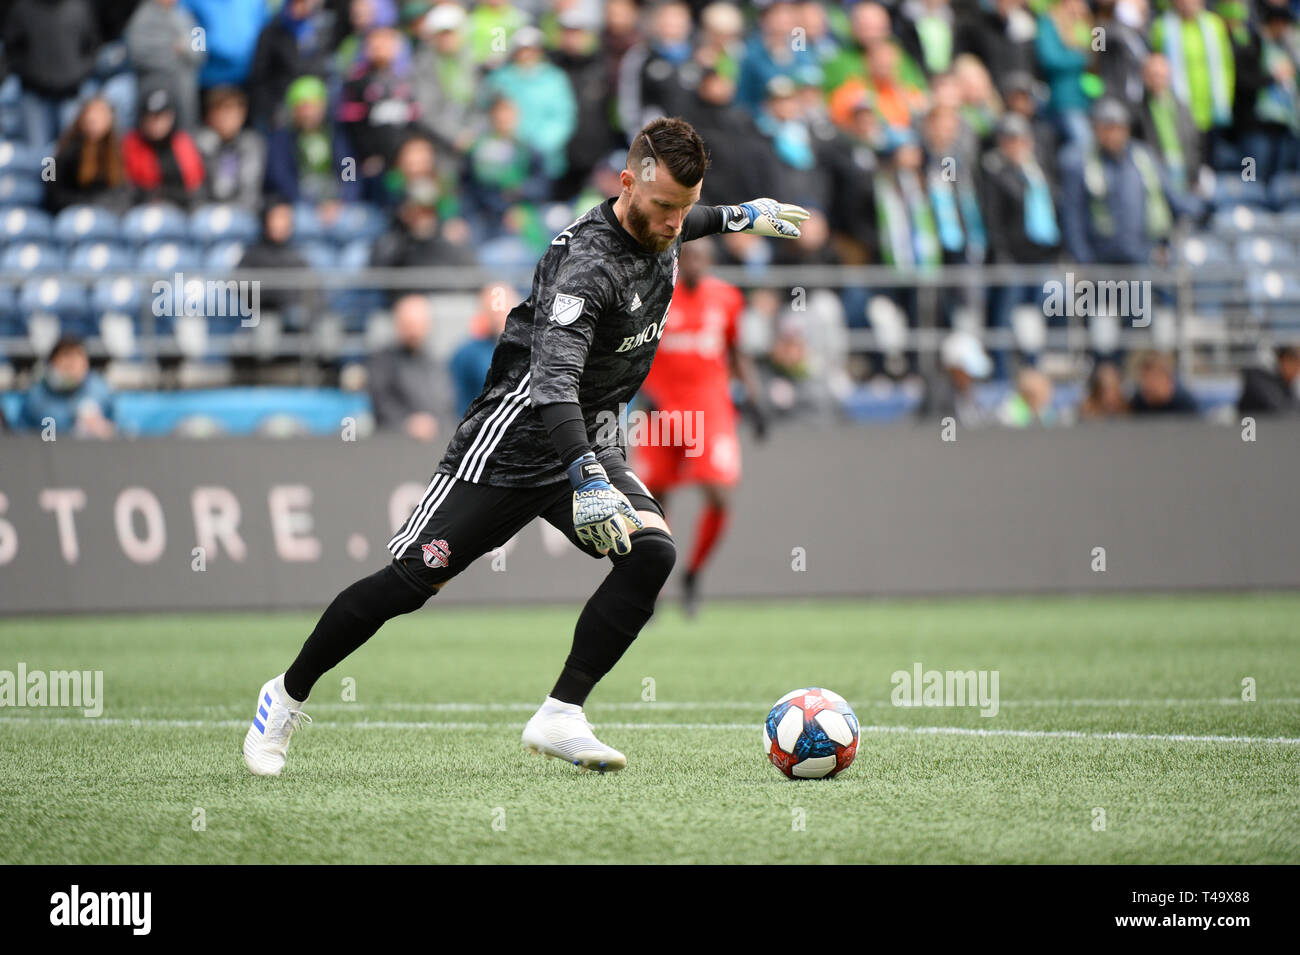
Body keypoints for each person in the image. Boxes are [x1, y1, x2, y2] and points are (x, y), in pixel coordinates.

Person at [242, 117, 809, 777]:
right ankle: (283, 695)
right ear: (627, 184)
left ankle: (561, 712)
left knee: (650, 552)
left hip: (589, 435)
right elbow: (552, 382)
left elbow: (691, 214)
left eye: (685, 208)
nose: (674, 224)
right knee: (409, 582)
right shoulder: (586, 264)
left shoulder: (669, 216)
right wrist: (587, 478)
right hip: (515, 438)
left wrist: (742, 215)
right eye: (662, 208)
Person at [635, 237, 767, 618]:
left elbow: (736, 350)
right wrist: (643, 390)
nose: (696, 263)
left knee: (720, 494)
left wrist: (756, 401)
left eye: (702, 257)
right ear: (678, 259)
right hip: (660, 412)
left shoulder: (726, 298)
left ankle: (693, 573)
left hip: (710, 411)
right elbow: (630, 350)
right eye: (689, 255)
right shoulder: (656, 296)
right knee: (655, 501)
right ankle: (652, 585)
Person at [367, 294, 452, 442]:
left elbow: (446, 403)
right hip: (394, 442)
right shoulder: (382, 362)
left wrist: (434, 423)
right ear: (398, 324)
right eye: (409, 324)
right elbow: (381, 403)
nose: (414, 331)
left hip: (435, 441)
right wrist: (407, 423)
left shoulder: (436, 363)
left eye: (418, 324)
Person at [122, 85, 206, 207]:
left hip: (184, 210)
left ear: (171, 117)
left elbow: (196, 184)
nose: (156, 124)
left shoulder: (183, 142)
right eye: (150, 117)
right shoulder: (131, 145)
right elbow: (132, 189)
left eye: (161, 117)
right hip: (145, 210)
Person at [44, 97, 131, 214]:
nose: (94, 120)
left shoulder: (118, 151)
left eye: (101, 115)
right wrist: (84, 205)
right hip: (72, 211)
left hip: (107, 211)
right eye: (92, 115)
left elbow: (122, 189)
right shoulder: (63, 151)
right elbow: (52, 192)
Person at [17, 335, 115, 438]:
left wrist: (102, 428)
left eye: (78, 357)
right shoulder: (36, 396)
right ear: (52, 362)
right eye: (66, 356)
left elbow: (118, 429)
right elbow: (21, 435)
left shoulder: (100, 390)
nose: (72, 364)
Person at [193, 86, 265, 210]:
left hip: (243, 210)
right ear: (209, 115)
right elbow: (197, 189)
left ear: (242, 113)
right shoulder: (200, 143)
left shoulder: (251, 143)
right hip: (207, 211)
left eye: (230, 111)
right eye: (219, 111)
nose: (224, 118)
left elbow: (249, 191)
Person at [1128, 350, 1199, 414]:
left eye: (1154, 379)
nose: (1148, 385)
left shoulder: (1185, 404)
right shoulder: (1138, 403)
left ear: (1168, 380)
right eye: (1144, 379)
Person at [1237, 345, 1300, 415]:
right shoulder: (1260, 380)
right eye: (1295, 361)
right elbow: (1281, 410)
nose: (1297, 368)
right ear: (1284, 360)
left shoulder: (1288, 386)